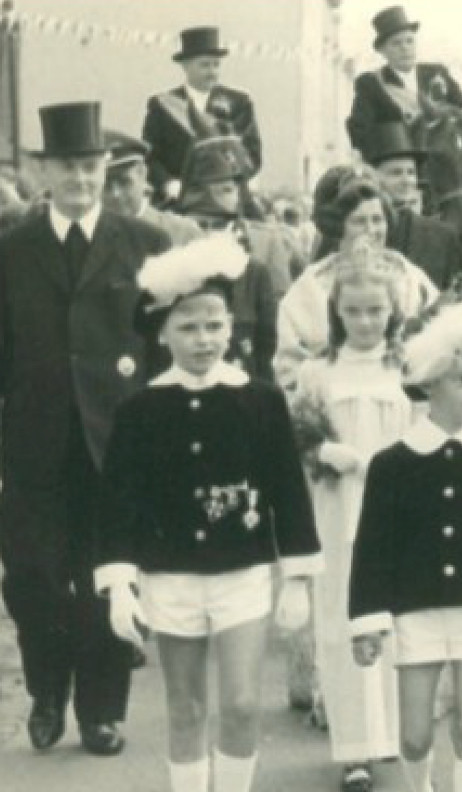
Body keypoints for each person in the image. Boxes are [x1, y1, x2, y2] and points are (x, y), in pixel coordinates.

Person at [95, 235, 321, 792]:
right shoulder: (140, 409)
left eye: (216, 325)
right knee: (187, 708)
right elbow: (119, 501)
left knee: (242, 704)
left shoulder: (259, 400)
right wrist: (120, 583)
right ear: (163, 332)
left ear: (232, 328)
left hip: (241, 572)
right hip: (169, 574)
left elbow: (287, 492)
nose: (205, 340)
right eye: (190, 327)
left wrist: (297, 579)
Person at [0, 102, 171, 757]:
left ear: (107, 169)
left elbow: (162, 350)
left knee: (111, 578)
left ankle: (102, 711)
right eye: (68, 165)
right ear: (45, 170)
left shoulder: (144, 244)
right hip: (33, 442)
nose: (80, 178)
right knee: (32, 577)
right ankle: (47, 692)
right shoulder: (12, 249)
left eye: (91, 165)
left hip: (117, 442)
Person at [349, 299, 462, 792]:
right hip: (415, 608)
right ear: (431, 382)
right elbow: (372, 548)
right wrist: (367, 621)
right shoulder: (392, 465)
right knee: (413, 735)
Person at [291, 241, 413, 792]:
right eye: (353, 311)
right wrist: (322, 454)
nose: (365, 322)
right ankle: (353, 749)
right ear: (337, 314)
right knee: (341, 618)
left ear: (393, 311)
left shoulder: (408, 368)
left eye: (376, 311)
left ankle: (392, 733)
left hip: (397, 507)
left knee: (398, 618)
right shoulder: (319, 374)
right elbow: (296, 441)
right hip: (338, 511)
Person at [277, 168, 438, 387]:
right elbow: (287, 364)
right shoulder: (311, 286)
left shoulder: (410, 276)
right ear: (339, 227)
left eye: (377, 220)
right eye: (359, 221)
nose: (371, 230)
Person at [174, 136, 285, 383]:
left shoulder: (263, 246)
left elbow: (273, 338)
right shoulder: (172, 249)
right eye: (211, 191)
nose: (225, 199)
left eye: (229, 189)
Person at [142, 27, 262, 206]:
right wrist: (168, 183)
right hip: (177, 199)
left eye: (216, 64)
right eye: (205, 65)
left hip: (227, 201)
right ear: (185, 66)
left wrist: (232, 183)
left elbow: (252, 154)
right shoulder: (162, 105)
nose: (212, 71)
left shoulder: (239, 103)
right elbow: (149, 156)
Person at [360, 120, 462, 291]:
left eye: (411, 172)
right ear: (373, 176)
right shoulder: (353, 228)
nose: (406, 180)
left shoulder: (443, 237)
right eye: (396, 173)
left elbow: (460, 295)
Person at [346, 5, 462, 158]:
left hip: (440, 162)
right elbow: (360, 131)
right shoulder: (371, 84)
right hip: (396, 161)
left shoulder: (437, 73)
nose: (405, 48)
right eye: (396, 43)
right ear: (383, 51)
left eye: (409, 41)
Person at [102, 130, 203, 246]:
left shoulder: (183, 233)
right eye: (105, 186)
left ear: (142, 174)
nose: (115, 194)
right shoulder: (87, 239)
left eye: (124, 182)